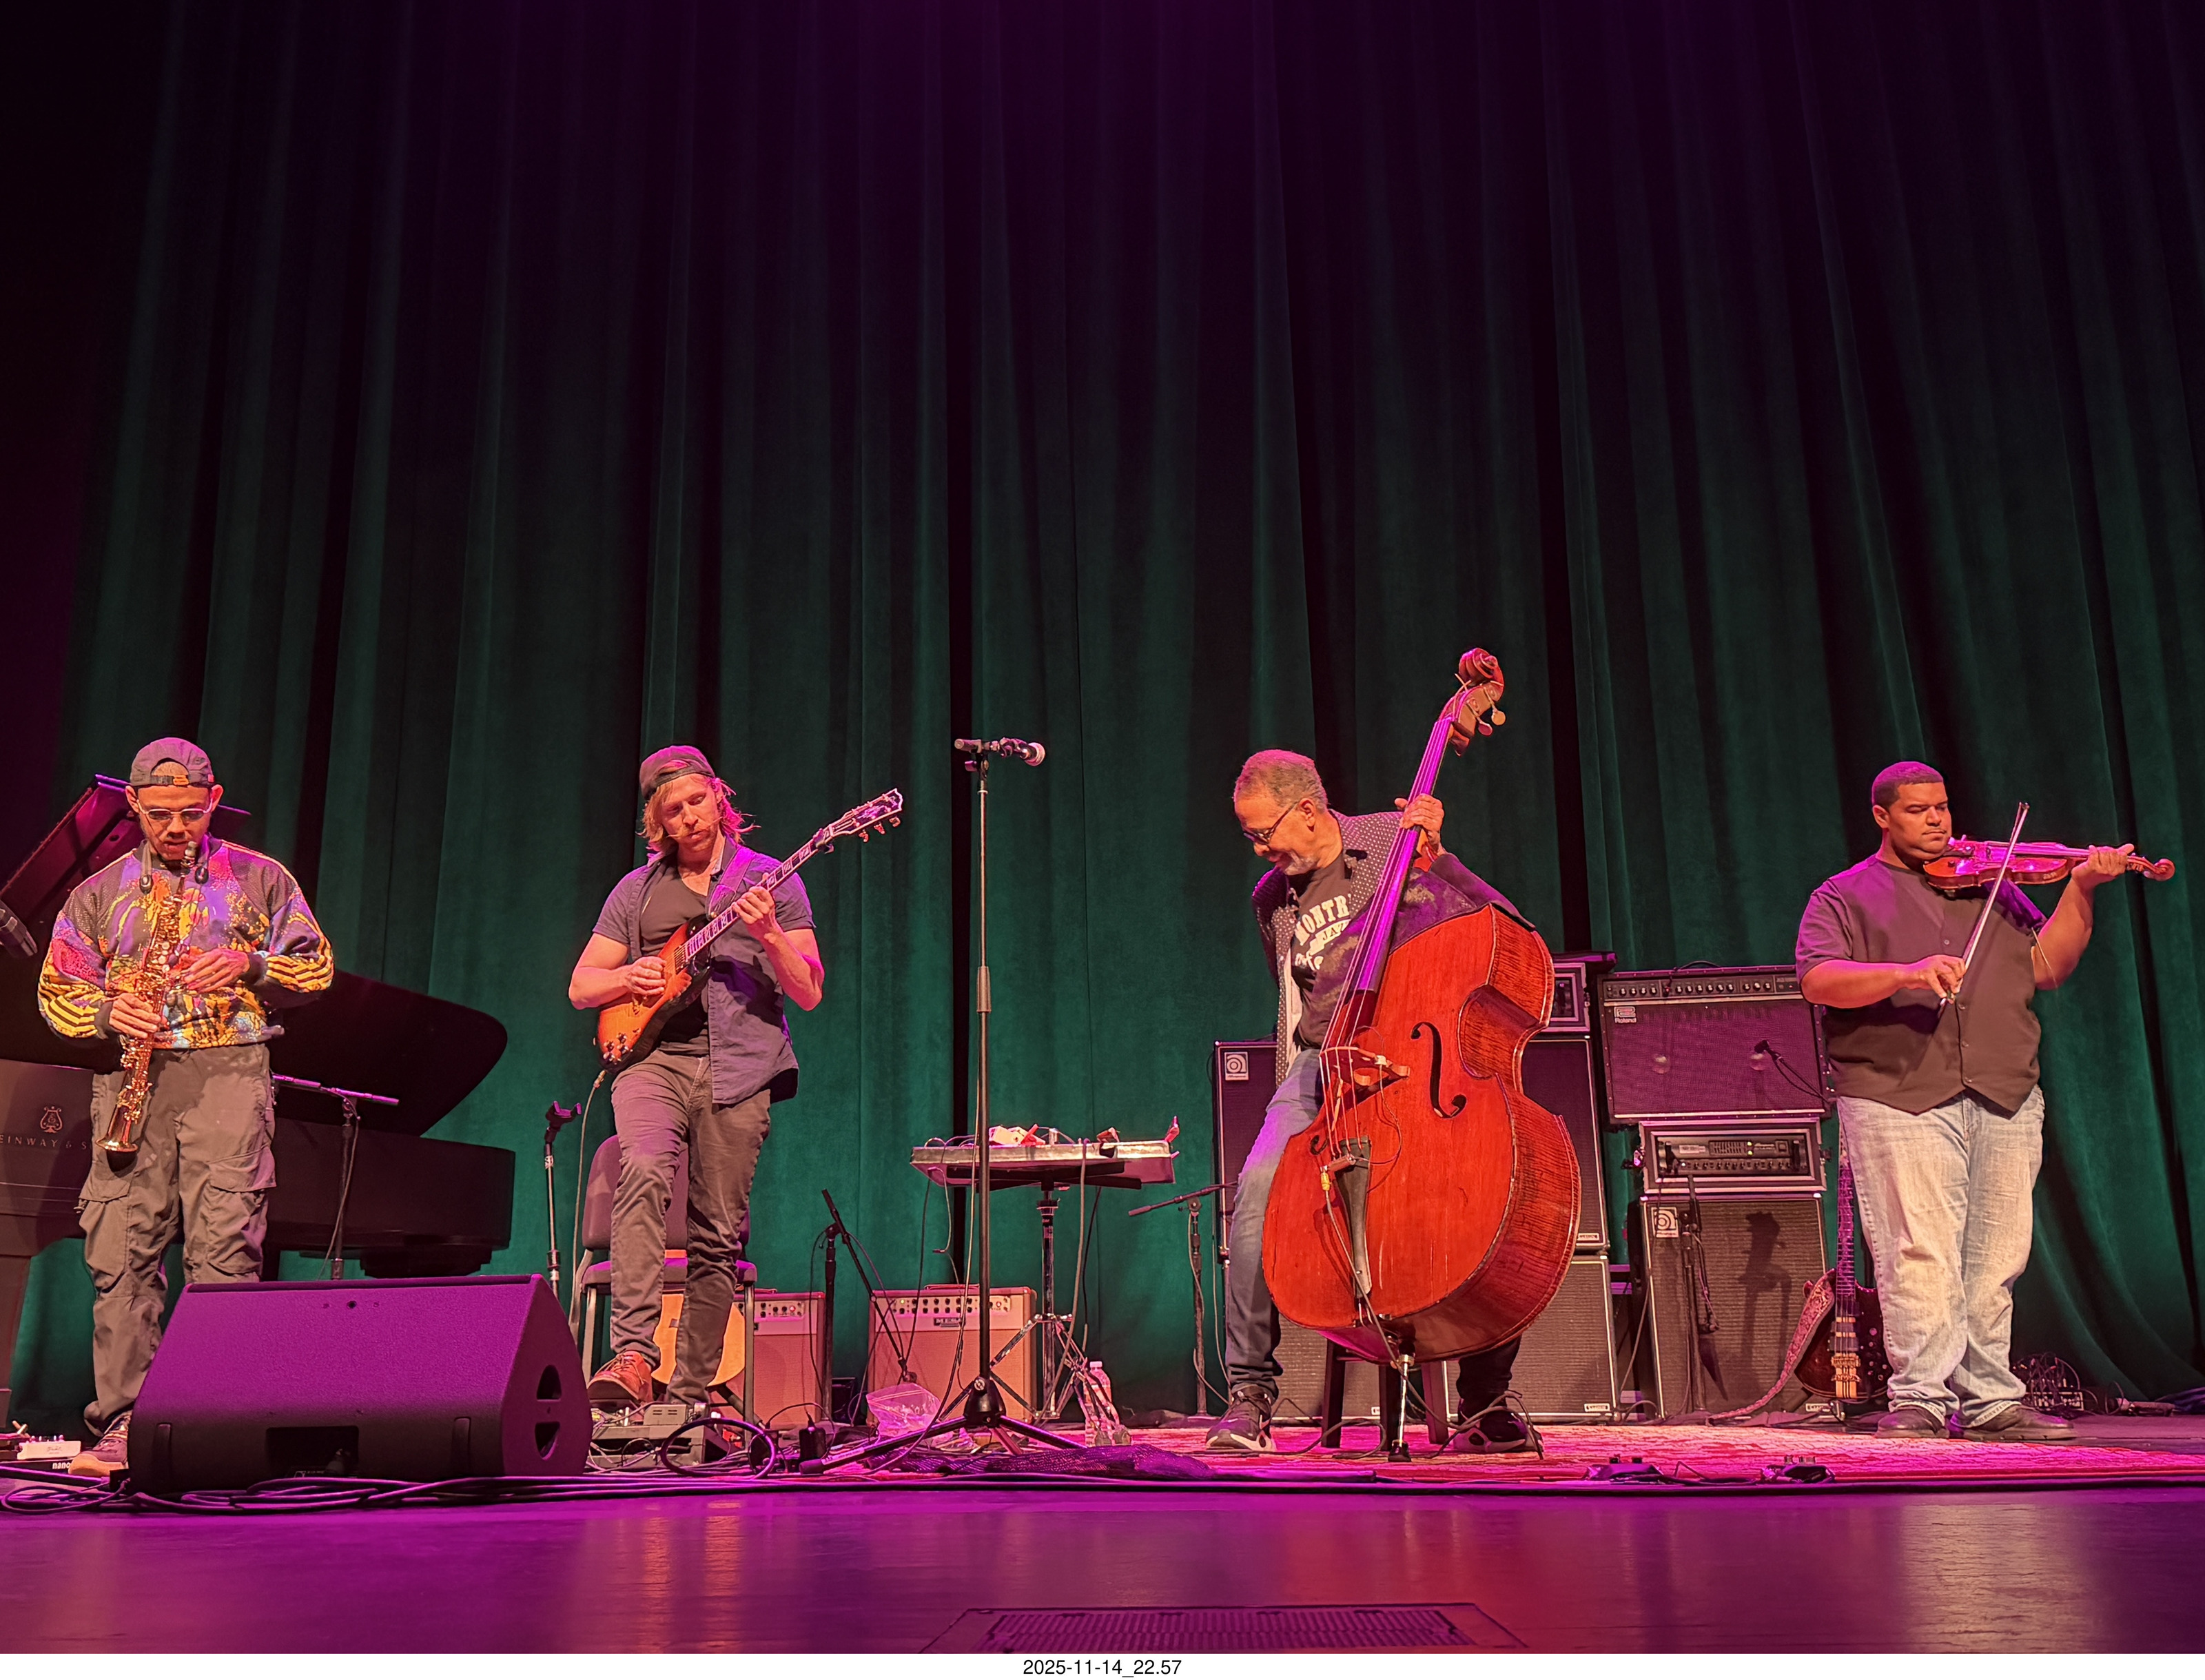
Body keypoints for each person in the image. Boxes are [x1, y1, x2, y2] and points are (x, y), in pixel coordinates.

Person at [1209, 748, 1535, 1453]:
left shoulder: (1393, 839)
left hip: (1416, 1053)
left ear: (1307, 809)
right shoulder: (1271, 897)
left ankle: (1485, 1404)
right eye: (1250, 837)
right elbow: (1300, 998)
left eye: (1264, 833)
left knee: (1494, 1196)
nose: (1260, 849)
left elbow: (1505, 923)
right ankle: (1249, 1398)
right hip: (1323, 1065)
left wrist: (1441, 862)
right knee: (1257, 1198)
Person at [1797, 761, 2134, 1440]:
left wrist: (2081, 888)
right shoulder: (1843, 895)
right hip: (1898, 1093)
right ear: (1881, 816)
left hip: (2002, 1088)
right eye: (1917, 810)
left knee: (1995, 1258)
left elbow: (2047, 966)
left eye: (1942, 807)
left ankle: (1989, 1400)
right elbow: (1819, 979)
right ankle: (1920, 1397)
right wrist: (1905, 973)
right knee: (1918, 1251)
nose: (1937, 821)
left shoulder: (1993, 885)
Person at [38, 737, 334, 1475]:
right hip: (132, 1078)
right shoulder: (97, 892)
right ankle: (124, 1424)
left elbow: (318, 967)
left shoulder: (260, 878)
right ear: (133, 804)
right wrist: (106, 1013)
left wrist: (251, 963)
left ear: (213, 800)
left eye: (192, 813)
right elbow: (57, 990)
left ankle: (218, 1420)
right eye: (161, 813)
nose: (177, 827)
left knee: (226, 1252)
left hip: (229, 1071)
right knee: (122, 1252)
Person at [570, 746, 824, 1411]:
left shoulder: (769, 880)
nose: (689, 817)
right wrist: (628, 976)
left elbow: (808, 991)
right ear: (658, 823)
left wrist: (770, 935)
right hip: (652, 1060)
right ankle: (632, 1356)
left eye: (696, 801)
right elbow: (581, 986)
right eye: (673, 810)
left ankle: (688, 1396)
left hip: (741, 1067)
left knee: (717, 1232)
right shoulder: (636, 891)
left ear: (718, 798)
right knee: (644, 1171)